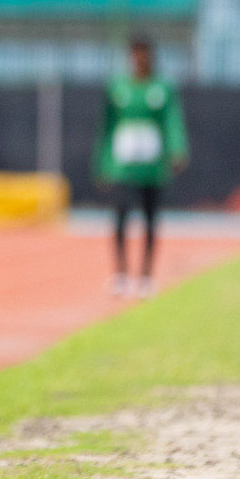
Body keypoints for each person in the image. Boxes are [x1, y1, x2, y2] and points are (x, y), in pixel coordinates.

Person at [93, 37, 188, 298]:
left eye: (144, 54)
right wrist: (104, 163)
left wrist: (177, 149)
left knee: (150, 218)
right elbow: (107, 127)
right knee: (121, 216)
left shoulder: (163, 87)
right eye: (135, 54)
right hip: (124, 165)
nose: (139, 60)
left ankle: (146, 275)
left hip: (153, 165)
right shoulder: (118, 87)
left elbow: (172, 120)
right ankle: (121, 273)